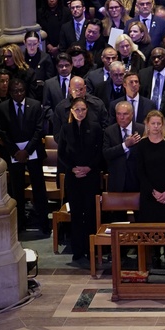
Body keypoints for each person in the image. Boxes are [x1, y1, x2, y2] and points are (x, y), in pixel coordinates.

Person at [0, 75, 49, 235]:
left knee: (39, 188)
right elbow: (2, 131)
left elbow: (39, 130)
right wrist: (15, 151)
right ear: (10, 92)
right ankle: (19, 224)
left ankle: (44, 223)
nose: (18, 94)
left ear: (25, 91)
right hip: (14, 153)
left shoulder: (35, 104)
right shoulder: (3, 107)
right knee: (16, 189)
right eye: (15, 91)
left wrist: (27, 150)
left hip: (32, 150)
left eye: (21, 91)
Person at [56, 96, 104, 268]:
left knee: (90, 214)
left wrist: (88, 168)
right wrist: (73, 168)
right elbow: (61, 153)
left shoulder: (96, 128)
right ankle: (78, 253)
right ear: (71, 110)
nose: (81, 112)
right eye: (77, 109)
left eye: (83, 109)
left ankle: (90, 251)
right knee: (76, 215)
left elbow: (100, 153)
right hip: (73, 177)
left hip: (90, 176)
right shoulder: (66, 129)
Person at [131, 108, 165, 222]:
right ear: (147, 124)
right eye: (153, 123)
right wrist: (153, 192)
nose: (156, 126)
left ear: (163, 125)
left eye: (159, 123)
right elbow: (140, 171)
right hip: (148, 195)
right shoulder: (141, 145)